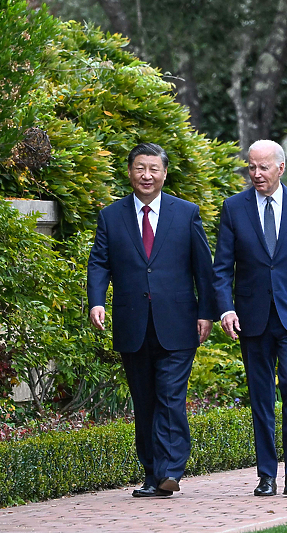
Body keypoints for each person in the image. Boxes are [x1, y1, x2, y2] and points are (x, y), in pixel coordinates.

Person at [87, 142, 216, 497]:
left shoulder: (186, 212)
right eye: (140, 168)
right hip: (132, 324)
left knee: (171, 396)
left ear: (164, 173)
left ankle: (171, 469)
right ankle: (151, 475)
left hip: (179, 322)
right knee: (144, 402)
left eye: (153, 169)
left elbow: (203, 268)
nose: (147, 175)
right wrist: (96, 302)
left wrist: (207, 312)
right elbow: (99, 262)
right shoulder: (111, 216)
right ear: (130, 172)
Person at [213, 139, 287, 497]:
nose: (256, 174)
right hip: (252, 317)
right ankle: (266, 474)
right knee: (260, 396)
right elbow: (221, 268)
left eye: (263, 167)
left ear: (280, 168)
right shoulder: (234, 208)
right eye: (251, 167)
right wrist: (226, 307)